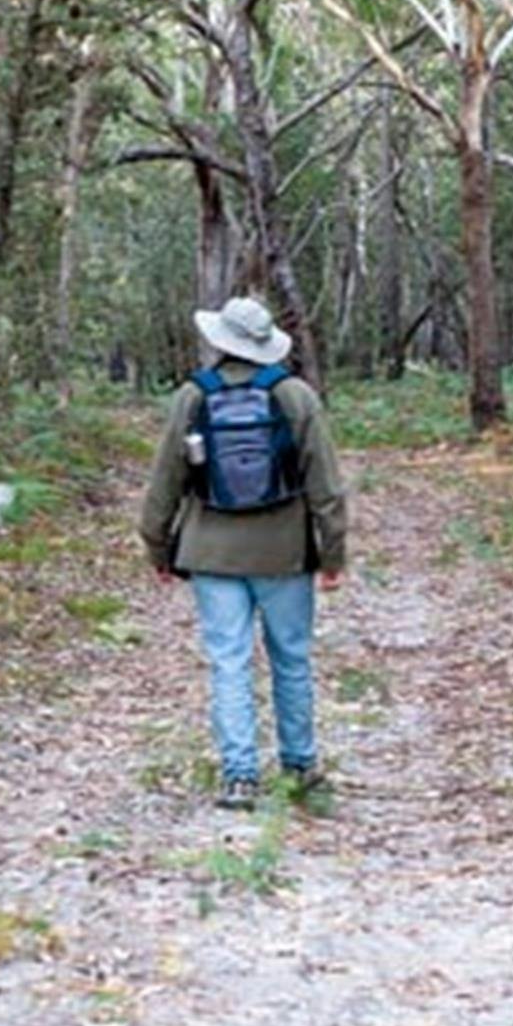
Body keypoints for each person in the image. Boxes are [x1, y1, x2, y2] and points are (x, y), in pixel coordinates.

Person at [137, 297, 348, 811]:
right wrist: (333, 554)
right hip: (284, 555)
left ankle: (240, 778)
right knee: (291, 660)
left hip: (211, 554)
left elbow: (165, 481)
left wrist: (158, 547)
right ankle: (300, 765)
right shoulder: (295, 396)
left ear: (220, 340)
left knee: (229, 663)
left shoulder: (192, 397)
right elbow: (327, 487)